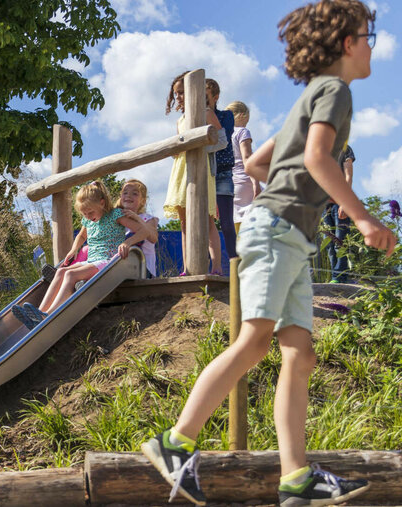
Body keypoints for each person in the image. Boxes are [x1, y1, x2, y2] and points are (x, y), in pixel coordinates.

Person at [141, 1, 396, 505]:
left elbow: (257, 162)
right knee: (256, 341)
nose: (373, 47)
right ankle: (175, 443)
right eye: (368, 38)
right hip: (278, 230)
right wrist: (362, 217)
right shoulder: (335, 91)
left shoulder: (311, 97)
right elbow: (320, 158)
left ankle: (296, 476)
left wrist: (294, 193)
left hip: (292, 238)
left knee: (299, 352)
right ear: (347, 44)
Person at [12, 180, 150, 329]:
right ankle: (40, 312)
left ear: (102, 204)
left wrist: (127, 243)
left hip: (107, 262)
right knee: (62, 271)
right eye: (84, 213)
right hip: (92, 261)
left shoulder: (115, 215)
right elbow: (82, 236)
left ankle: (49, 315)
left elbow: (144, 231)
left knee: (71, 276)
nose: (88, 216)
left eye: (90, 212)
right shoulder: (88, 220)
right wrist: (74, 249)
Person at [163, 71, 224, 275]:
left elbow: (221, 140)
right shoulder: (180, 120)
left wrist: (199, 147)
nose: (179, 96)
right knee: (183, 221)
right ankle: (188, 266)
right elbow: (178, 144)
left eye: (181, 92)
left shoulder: (206, 112)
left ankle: (216, 266)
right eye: (176, 93)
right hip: (181, 171)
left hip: (201, 169)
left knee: (206, 218)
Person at [206, 79, 238, 260]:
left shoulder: (226, 116)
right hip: (204, 172)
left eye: (206, 96)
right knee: (204, 223)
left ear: (216, 97)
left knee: (226, 223)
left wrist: (208, 114)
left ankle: (235, 265)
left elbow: (222, 137)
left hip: (223, 173)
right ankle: (207, 265)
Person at [226, 101, 261, 233]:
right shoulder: (243, 132)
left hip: (230, 185)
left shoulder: (224, 135)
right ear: (242, 115)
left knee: (237, 225)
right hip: (244, 181)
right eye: (247, 120)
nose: (247, 123)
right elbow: (247, 159)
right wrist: (256, 184)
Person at [323, 145, 355, 282]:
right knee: (329, 244)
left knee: (340, 241)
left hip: (339, 202)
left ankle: (339, 276)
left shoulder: (344, 149)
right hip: (323, 205)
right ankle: (337, 276)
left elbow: (348, 176)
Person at [116, 179, 159, 278]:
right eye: (125, 193)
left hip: (144, 268)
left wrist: (137, 218)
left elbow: (153, 238)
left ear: (142, 201)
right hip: (121, 264)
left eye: (134, 194)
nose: (128, 196)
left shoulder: (148, 219)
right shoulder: (118, 218)